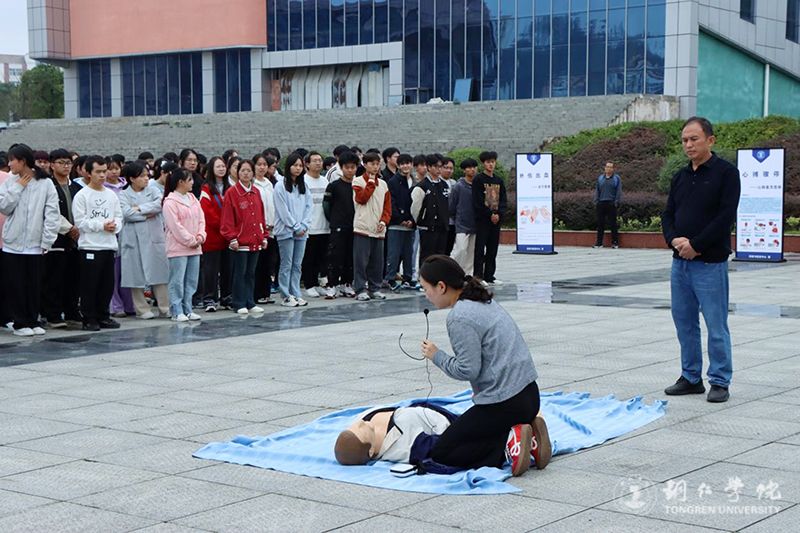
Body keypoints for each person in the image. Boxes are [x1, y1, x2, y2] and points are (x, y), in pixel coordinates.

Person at [417, 255, 551, 476]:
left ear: (441, 286)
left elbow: (467, 370)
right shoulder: (482, 299)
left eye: (425, 288)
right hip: (530, 395)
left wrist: (436, 355)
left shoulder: (459, 317)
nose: (425, 295)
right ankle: (529, 437)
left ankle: (511, 442)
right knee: (472, 432)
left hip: (505, 404)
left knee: (442, 452)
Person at [661, 117, 741, 404]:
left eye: (694, 139)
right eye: (684, 140)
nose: (688, 145)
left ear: (710, 140)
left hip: (709, 264)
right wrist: (674, 240)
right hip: (680, 264)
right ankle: (691, 377)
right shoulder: (680, 177)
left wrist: (696, 245)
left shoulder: (726, 173)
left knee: (716, 325)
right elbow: (668, 214)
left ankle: (719, 380)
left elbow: (725, 217)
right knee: (684, 323)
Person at [0, 144, 60, 336]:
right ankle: (20, 323)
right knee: (16, 285)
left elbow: (52, 213)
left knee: (34, 285)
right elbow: (4, 207)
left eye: (12, 160)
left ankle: (33, 320)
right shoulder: (10, 182)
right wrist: (18, 187)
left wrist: (47, 240)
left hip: (35, 243)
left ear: (23, 161)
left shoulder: (45, 183)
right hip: (12, 244)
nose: (10, 164)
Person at [72, 155, 124, 331]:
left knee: (106, 284)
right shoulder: (82, 195)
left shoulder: (111, 195)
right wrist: (102, 225)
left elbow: (119, 216)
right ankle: (89, 318)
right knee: (90, 284)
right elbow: (81, 222)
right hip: (90, 246)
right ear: (88, 173)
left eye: (104, 171)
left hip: (108, 245)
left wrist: (115, 226)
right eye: (98, 172)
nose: (102, 175)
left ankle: (103, 315)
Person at [119, 161, 170, 319]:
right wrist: (147, 214)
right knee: (135, 275)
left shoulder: (153, 190)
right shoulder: (123, 194)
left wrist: (139, 208)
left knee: (160, 273)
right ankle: (142, 309)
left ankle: (165, 307)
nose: (146, 178)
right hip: (133, 239)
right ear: (132, 178)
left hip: (153, 237)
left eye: (147, 175)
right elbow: (126, 214)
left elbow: (159, 205)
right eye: (142, 176)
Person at [220, 159, 269, 315]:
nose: (246, 173)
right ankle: (239, 302)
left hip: (255, 239)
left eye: (249, 170)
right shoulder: (232, 192)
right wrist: (232, 237)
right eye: (243, 170)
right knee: (239, 273)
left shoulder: (256, 191)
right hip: (240, 242)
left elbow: (261, 216)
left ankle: (250, 301)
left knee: (250, 273)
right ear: (237, 172)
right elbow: (227, 218)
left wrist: (264, 235)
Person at [40, 149, 82, 328]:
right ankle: (53, 314)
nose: (66, 166)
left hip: (76, 240)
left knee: (73, 278)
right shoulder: (47, 186)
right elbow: (49, 213)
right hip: (56, 239)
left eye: (68, 163)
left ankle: (72, 311)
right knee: (54, 279)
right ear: (52, 165)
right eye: (61, 162)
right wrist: (68, 228)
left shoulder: (77, 188)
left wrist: (78, 228)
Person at [335, 404, 455, 465]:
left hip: (415, 407)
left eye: (352, 427)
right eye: (360, 429)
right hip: (441, 419)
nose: (360, 423)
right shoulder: (406, 448)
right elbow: (443, 446)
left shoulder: (362, 420)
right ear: (370, 451)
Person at [162, 168, 206, 322]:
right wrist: (190, 240)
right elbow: (175, 226)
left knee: (191, 280)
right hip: (178, 248)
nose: (192, 183)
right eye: (190, 180)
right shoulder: (170, 202)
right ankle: (176, 310)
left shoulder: (193, 198)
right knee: (177, 281)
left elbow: (201, 219)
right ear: (180, 182)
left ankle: (188, 309)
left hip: (195, 247)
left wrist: (200, 235)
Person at [273, 152, 313, 307]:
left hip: (302, 231)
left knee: (297, 264)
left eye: (300, 166)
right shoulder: (280, 185)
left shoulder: (304, 186)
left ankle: (296, 293)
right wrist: (295, 226)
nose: (298, 168)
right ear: (288, 166)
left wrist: (304, 225)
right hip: (286, 231)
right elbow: (282, 211)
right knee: (286, 264)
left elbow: (309, 207)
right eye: (295, 165)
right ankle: (286, 295)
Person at [352, 152, 391, 301]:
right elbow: (362, 199)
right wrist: (370, 182)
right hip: (362, 228)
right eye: (372, 164)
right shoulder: (357, 181)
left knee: (377, 261)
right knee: (361, 261)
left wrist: (383, 221)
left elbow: (387, 207)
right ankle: (360, 289)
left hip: (378, 229)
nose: (375, 167)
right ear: (365, 164)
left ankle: (375, 288)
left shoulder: (384, 184)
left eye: (377, 164)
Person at [323, 151, 358, 298]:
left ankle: (347, 284)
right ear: (341, 167)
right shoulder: (334, 186)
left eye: (353, 167)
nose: (350, 170)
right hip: (338, 226)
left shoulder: (358, 185)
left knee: (350, 257)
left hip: (354, 226)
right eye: (347, 167)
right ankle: (332, 284)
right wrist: (333, 220)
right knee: (335, 256)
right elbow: (326, 206)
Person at [104, 156, 135, 318]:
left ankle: (130, 304)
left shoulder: (126, 187)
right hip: (111, 232)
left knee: (127, 271)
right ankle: (115, 305)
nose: (114, 172)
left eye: (116, 168)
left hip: (128, 233)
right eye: (110, 169)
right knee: (114, 273)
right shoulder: (103, 189)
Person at [200, 156, 231, 312]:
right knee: (211, 270)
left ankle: (227, 298)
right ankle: (209, 299)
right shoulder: (206, 189)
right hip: (213, 236)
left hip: (228, 237)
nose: (221, 169)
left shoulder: (230, 187)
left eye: (223, 166)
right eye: (218, 166)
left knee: (228, 269)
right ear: (211, 169)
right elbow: (207, 211)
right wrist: (224, 225)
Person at [301, 151, 331, 298]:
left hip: (324, 226)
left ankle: (318, 284)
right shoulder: (303, 181)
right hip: (310, 227)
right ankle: (309, 284)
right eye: (315, 160)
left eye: (320, 160)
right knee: (309, 258)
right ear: (307, 164)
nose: (318, 163)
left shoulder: (325, 181)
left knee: (321, 257)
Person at [472, 151, 506, 286]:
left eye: (492, 162)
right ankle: (478, 276)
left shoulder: (499, 181)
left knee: (492, 249)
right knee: (480, 249)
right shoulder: (478, 180)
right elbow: (477, 201)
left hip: (496, 220)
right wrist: (489, 214)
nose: (491, 164)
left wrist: (499, 214)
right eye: (488, 162)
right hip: (483, 220)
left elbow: (503, 200)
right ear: (483, 164)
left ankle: (490, 275)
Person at [411, 154, 450, 267]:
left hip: (442, 226)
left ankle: (438, 275)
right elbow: (415, 208)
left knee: (440, 256)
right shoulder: (422, 186)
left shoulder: (444, 185)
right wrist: (421, 221)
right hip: (427, 227)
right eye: (436, 166)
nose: (438, 169)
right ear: (428, 167)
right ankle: (424, 276)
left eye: (440, 166)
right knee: (427, 256)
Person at [384, 153, 416, 290]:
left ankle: (407, 278)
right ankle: (390, 278)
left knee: (409, 253)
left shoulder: (414, 181)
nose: (405, 166)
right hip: (396, 224)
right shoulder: (393, 182)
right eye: (402, 163)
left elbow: (417, 203)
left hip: (411, 225)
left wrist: (413, 220)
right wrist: (401, 219)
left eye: (408, 163)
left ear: (412, 165)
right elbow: (392, 202)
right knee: (394, 254)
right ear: (398, 165)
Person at [252, 154, 276, 305]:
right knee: (258, 263)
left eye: (264, 165)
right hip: (258, 229)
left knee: (268, 262)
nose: (262, 167)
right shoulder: (252, 184)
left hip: (271, 229)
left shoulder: (269, 183)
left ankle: (266, 293)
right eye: (259, 164)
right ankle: (256, 294)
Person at [449, 158, 478, 275]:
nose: (472, 170)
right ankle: (453, 272)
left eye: (474, 167)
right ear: (464, 170)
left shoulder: (478, 185)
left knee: (471, 253)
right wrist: (456, 218)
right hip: (461, 224)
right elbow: (451, 206)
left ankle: (468, 275)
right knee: (460, 250)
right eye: (469, 167)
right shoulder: (458, 186)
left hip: (475, 223)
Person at [593, 162, 622, 249]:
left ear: (613, 169)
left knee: (613, 223)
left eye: (610, 167)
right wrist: (596, 201)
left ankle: (615, 243)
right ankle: (599, 243)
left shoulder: (616, 178)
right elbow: (597, 190)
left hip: (611, 203)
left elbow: (618, 191)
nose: (608, 168)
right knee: (600, 224)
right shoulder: (600, 178)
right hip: (601, 203)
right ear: (604, 168)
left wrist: (616, 202)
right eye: (607, 167)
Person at [441, 156, 458, 255]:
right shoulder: (437, 182)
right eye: (446, 167)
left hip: (452, 222)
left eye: (451, 168)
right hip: (440, 223)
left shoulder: (454, 184)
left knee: (448, 249)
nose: (448, 170)